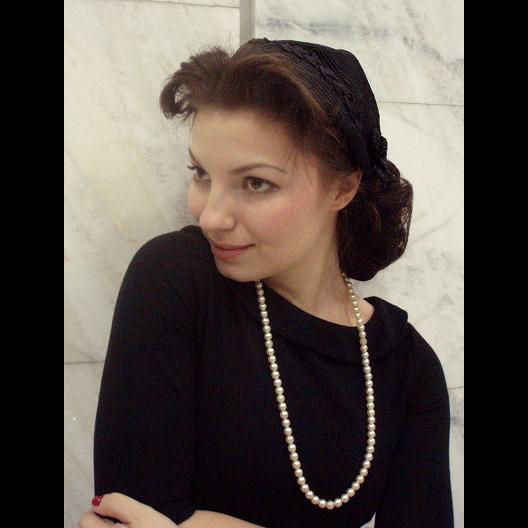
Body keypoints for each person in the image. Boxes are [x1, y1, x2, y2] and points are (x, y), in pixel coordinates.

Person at [80, 38, 454, 527]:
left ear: (343, 187)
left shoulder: (407, 368)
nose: (211, 217)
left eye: (256, 183)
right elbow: (126, 514)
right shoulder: (174, 280)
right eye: (201, 173)